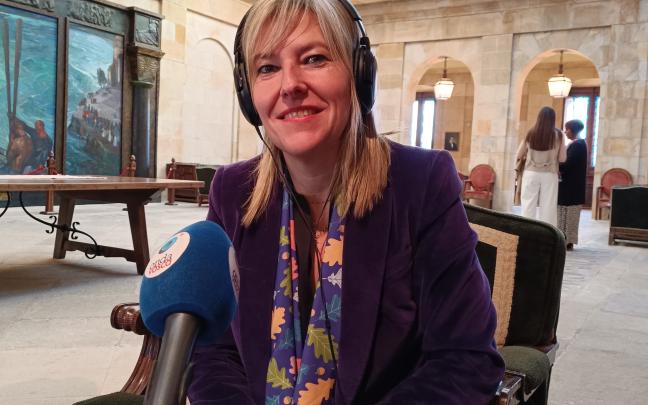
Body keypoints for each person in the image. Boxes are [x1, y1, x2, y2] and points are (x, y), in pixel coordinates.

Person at [189, 1, 504, 404]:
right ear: (247, 94)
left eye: (314, 58)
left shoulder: (421, 184)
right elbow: (212, 350)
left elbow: (466, 358)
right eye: (267, 67)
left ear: (359, 73)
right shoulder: (233, 191)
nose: (290, 85)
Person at [516, 106, 567, 226]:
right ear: (553, 119)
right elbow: (562, 158)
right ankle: (546, 234)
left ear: (539, 118)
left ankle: (527, 232)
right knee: (548, 206)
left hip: (530, 172)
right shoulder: (559, 134)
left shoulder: (531, 133)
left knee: (528, 205)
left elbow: (519, 154)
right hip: (549, 173)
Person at [558, 119, 587, 250]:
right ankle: (564, 240)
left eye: (567, 129)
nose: (565, 132)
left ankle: (568, 241)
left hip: (572, 188)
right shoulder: (578, 144)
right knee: (564, 213)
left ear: (573, 130)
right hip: (570, 187)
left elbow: (567, 164)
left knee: (570, 215)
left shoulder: (578, 145)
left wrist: (555, 165)